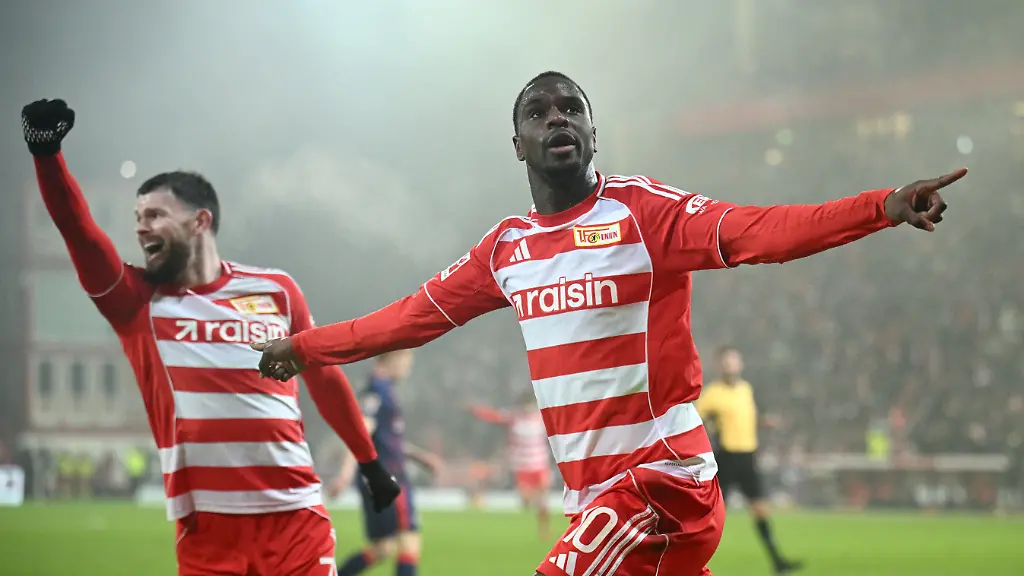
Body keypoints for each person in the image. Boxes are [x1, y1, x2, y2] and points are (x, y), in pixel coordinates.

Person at [252, 71, 965, 575]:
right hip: (593, 497)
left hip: (663, 481)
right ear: (518, 144)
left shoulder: (644, 213)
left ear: (593, 132)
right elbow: (407, 320)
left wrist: (883, 205)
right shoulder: (506, 250)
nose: (558, 118)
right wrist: (305, 348)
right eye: (540, 112)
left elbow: (758, 231)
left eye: (572, 109)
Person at [20, 99, 400, 576]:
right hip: (206, 536)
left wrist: (368, 463)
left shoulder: (275, 290)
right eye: (138, 217)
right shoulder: (135, 300)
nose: (142, 226)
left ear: (200, 222)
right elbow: (78, 232)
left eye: (156, 214)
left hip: (296, 522)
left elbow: (323, 377)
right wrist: (46, 153)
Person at [329, 350, 442, 576]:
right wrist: (345, 473)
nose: (407, 369)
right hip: (390, 477)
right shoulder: (377, 390)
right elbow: (362, 431)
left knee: (383, 548)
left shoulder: (380, 389)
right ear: (393, 358)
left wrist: (418, 457)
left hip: (380, 475)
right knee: (409, 541)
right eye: (407, 362)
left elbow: (385, 440)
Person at [697, 346, 802, 574]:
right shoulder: (712, 393)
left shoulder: (746, 390)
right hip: (726, 458)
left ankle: (778, 561)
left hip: (748, 458)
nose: (730, 365)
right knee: (711, 515)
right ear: (720, 365)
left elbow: (748, 420)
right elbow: (697, 418)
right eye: (726, 361)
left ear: (739, 364)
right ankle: (692, 561)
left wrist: (766, 422)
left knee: (761, 511)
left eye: (733, 361)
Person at [468, 391, 553, 539]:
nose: (527, 408)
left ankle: (544, 530)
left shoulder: (541, 418)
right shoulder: (515, 418)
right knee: (526, 501)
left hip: (540, 464)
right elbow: (494, 416)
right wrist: (477, 410)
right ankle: (533, 504)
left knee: (543, 500)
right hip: (522, 466)